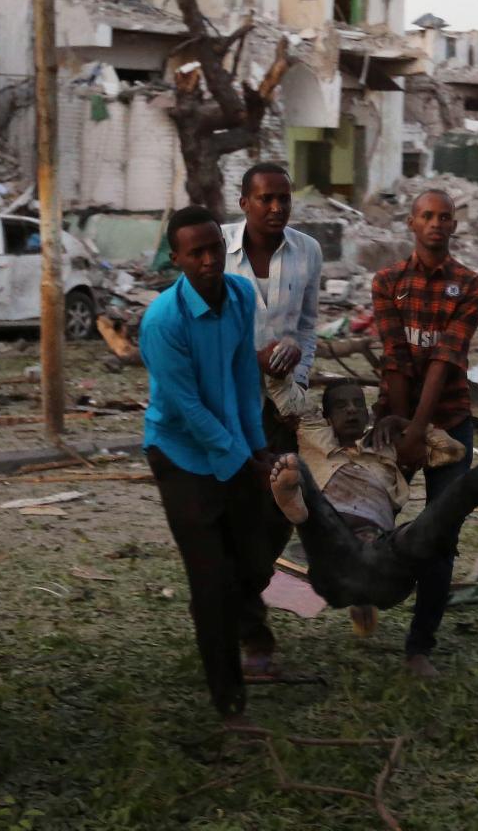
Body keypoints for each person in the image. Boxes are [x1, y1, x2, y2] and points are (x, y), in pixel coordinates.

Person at [269, 379, 478, 611]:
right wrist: (280, 355)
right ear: (326, 417)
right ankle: (299, 509)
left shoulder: (387, 447)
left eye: (359, 404)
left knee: (462, 489)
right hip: (332, 567)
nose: (352, 411)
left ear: (370, 414)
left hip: (385, 562)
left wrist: (409, 427)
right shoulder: (314, 437)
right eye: (341, 406)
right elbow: (281, 389)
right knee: (297, 471)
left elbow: (450, 452)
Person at [141, 205, 276, 725]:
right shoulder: (163, 321)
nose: (207, 260)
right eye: (194, 252)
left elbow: (245, 375)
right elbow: (187, 408)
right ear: (176, 258)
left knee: (257, 561)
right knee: (213, 581)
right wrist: (242, 459)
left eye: (213, 248)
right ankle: (229, 700)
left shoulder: (241, 295)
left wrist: (256, 446)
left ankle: (216, 612)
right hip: (180, 455)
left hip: (234, 446)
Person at [369, 189, 478, 678]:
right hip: (393, 422)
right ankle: (364, 591)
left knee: (442, 532)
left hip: (450, 422)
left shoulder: (471, 285)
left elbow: (445, 360)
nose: (436, 224)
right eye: (427, 216)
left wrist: (420, 432)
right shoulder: (387, 282)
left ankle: (420, 646)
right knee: (368, 519)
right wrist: (402, 432)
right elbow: (395, 356)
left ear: (455, 226)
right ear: (411, 224)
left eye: (444, 217)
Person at [223, 163, 323, 448]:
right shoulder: (218, 246)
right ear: (244, 203)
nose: (277, 207)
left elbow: (306, 325)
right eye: (266, 198)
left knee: (280, 483)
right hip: (228, 397)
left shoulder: (308, 250)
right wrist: (255, 359)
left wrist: (299, 382)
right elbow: (204, 328)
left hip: (281, 400)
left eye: (284, 198)